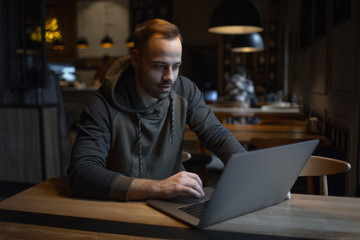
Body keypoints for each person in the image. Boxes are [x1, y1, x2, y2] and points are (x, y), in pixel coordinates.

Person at [67, 19, 246, 202]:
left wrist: (252, 170)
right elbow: (81, 173)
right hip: (121, 206)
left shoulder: (185, 90)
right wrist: (158, 187)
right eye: (159, 66)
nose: (170, 77)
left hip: (172, 202)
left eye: (176, 67)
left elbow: (216, 134)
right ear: (136, 59)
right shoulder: (102, 105)